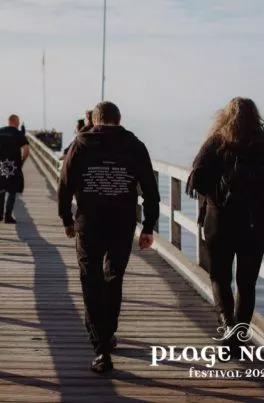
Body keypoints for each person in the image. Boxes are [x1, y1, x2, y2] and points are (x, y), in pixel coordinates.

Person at [58, 101, 160, 373]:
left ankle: (100, 347)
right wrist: (148, 226)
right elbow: (150, 189)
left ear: (93, 119)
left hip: (88, 224)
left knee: (90, 279)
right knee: (114, 276)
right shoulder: (135, 145)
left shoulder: (80, 144)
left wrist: (66, 219)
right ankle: (107, 334)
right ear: (120, 118)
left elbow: (65, 184)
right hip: (121, 224)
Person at [186, 97, 264, 355]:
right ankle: (239, 338)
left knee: (220, 276)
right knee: (247, 282)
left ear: (226, 115)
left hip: (219, 221)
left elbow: (196, 177)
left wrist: (216, 196)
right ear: (256, 115)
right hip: (255, 225)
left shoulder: (218, 141)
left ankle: (227, 326)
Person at [0, 114, 30, 223]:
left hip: (0, 166)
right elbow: (26, 151)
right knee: (12, 191)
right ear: (13, 121)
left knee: (1, 189)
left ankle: (0, 214)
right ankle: (8, 216)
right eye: (18, 121)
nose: (19, 123)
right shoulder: (19, 134)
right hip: (14, 167)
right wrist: (21, 163)